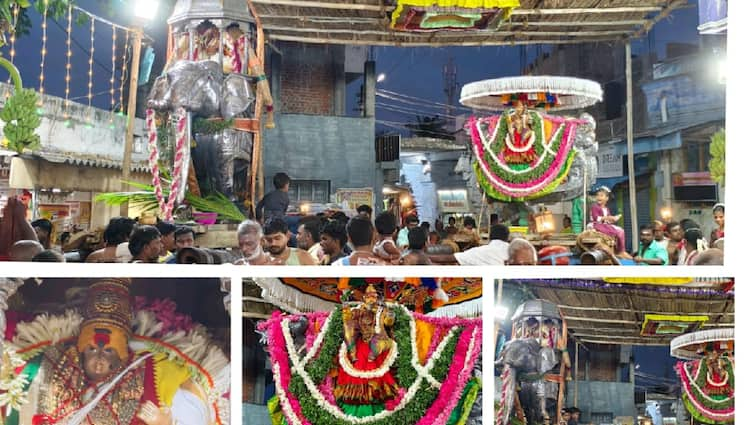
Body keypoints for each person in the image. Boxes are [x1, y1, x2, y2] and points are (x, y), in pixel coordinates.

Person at [9, 278, 217, 424]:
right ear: (80, 350)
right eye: (92, 350)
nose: (98, 360)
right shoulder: (54, 363)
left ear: (123, 353)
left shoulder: (159, 371)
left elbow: (196, 414)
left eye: (108, 352)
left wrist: (166, 423)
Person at [434, 224, 510, 265]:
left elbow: (448, 258)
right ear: (507, 238)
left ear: (490, 237)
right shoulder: (516, 252)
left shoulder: (478, 252)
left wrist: (425, 257)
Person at [589, 186, 627, 257]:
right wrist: (609, 217)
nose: (599, 197)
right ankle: (620, 251)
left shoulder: (606, 209)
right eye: (597, 195)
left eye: (601, 196)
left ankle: (621, 250)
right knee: (618, 231)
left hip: (605, 225)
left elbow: (608, 220)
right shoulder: (595, 207)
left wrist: (614, 219)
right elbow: (596, 218)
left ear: (607, 198)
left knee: (621, 231)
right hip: (597, 225)